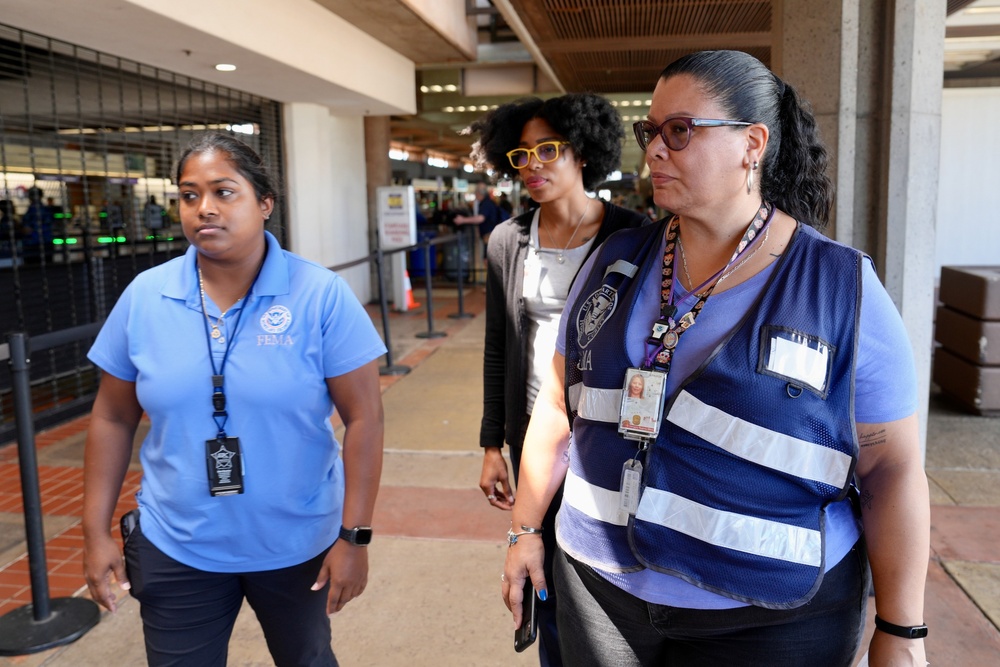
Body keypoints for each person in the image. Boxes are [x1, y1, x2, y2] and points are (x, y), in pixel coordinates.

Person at [501, 50, 929, 667]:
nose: (653, 150)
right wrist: (525, 529)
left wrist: (902, 630)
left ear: (751, 144)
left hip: (770, 616)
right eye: (650, 132)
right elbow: (559, 409)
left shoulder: (839, 290)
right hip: (599, 591)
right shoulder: (613, 262)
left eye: (679, 131)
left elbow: (892, 469)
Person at [82, 132, 386, 666]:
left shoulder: (318, 295)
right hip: (178, 542)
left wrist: (353, 538)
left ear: (264, 203)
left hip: (296, 542)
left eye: (224, 192)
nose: (204, 209)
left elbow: (364, 418)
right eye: (189, 195)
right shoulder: (146, 297)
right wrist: (94, 531)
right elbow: (111, 416)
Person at [469, 93, 649, 666]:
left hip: (604, 436)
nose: (534, 164)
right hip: (534, 439)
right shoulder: (507, 241)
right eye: (522, 155)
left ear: (583, 154)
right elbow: (498, 348)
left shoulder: (634, 236)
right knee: (537, 560)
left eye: (549, 149)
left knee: (604, 575)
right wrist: (491, 443)